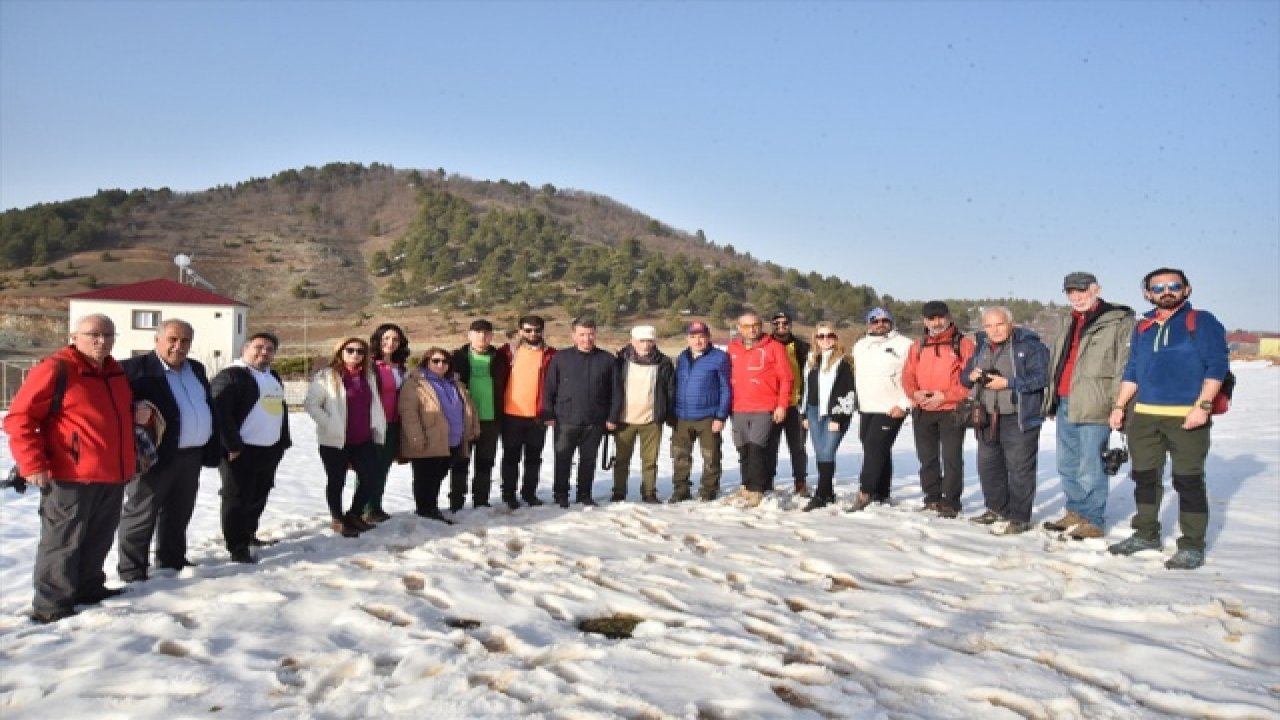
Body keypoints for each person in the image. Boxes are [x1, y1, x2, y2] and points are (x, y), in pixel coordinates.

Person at [4, 314, 138, 623]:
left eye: (107, 334)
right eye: (93, 334)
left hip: (112, 474)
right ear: (74, 335)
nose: (101, 340)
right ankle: (51, 604)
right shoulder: (57, 369)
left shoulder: (115, 372)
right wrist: (32, 463)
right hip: (70, 476)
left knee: (99, 537)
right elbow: (20, 419)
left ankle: (88, 587)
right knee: (63, 540)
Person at [1107, 268, 1229, 570]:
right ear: (1148, 294)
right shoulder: (1143, 326)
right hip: (1145, 416)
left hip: (1187, 416)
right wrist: (1120, 405)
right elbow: (1133, 369)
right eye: (1158, 287)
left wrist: (1202, 405)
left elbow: (1217, 365)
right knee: (1145, 478)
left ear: (1186, 289)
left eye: (1173, 285)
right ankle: (1146, 533)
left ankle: (1191, 545)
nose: (1166, 291)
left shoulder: (1201, 321)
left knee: (1187, 480)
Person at [117, 319, 219, 582]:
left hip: (190, 454)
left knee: (179, 511)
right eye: (173, 339)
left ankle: (171, 559)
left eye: (185, 341)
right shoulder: (134, 369)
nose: (178, 346)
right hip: (154, 456)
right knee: (141, 513)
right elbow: (115, 408)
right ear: (157, 340)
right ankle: (132, 570)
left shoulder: (196, 368)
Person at [1041, 273, 1135, 540]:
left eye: (1082, 291)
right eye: (1071, 292)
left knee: (1091, 463)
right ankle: (1075, 511)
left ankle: (1092, 518)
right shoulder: (1067, 319)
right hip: (1064, 399)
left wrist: (1119, 404)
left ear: (1096, 289)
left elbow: (1123, 365)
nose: (1076, 297)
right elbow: (1058, 361)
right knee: (1066, 462)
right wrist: (1050, 398)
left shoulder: (1117, 321)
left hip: (1096, 399)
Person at [961, 306, 1050, 535]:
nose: (995, 330)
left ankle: (1020, 517)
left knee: (1020, 468)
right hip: (987, 415)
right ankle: (996, 508)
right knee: (988, 466)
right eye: (989, 325)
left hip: (1018, 416)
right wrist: (970, 376)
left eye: (999, 324)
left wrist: (1008, 383)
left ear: (1011, 324)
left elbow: (1042, 377)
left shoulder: (1031, 346)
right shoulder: (981, 346)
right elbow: (964, 376)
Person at [210, 332, 292, 564]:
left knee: (259, 494)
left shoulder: (272, 375)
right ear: (244, 349)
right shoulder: (232, 376)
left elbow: (279, 409)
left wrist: (282, 442)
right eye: (258, 347)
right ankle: (237, 547)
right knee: (236, 499)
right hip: (241, 450)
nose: (264, 352)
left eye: (269, 348)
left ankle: (248, 534)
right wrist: (232, 445)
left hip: (269, 449)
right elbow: (219, 412)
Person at [304, 337, 386, 537]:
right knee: (336, 481)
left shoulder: (368, 376)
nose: (355, 354)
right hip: (335, 440)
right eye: (350, 350)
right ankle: (337, 519)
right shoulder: (327, 376)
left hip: (363, 439)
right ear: (340, 352)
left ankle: (355, 514)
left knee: (371, 478)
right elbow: (311, 404)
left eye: (360, 351)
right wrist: (330, 423)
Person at [901, 301, 976, 519]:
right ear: (924, 320)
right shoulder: (918, 345)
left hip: (950, 410)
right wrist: (914, 393)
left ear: (949, 317)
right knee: (927, 458)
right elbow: (908, 374)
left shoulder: (963, 345)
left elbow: (969, 380)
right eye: (931, 318)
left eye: (940, 317)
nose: (936, 322)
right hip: (923, 409)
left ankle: (951, 502)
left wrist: (944, 396)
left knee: (951, 458)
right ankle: (932, 497)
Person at [399, 348, 479, 524]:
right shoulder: (416, 384)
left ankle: (431, 507)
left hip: (451, 440)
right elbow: (408, 413)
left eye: (445, 361)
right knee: (425, 477)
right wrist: (415, 437)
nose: (440, 364)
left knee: (437, 477)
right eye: (435, 361)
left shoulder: (454, 383)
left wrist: (472, 427)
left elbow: (468, 408)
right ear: (426, 362)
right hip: (428, 439)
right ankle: (425, 510)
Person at [543, 317, 616, 508]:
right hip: (565, 419)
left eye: (590, 334)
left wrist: (612, 417)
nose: (586, 338)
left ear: (595, 334)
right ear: (574, 335)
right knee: (562, 458)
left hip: (595, 420)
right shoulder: (561, 357)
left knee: (588, 460)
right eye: (582, 334)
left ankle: (584, 494)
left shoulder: (607, 359)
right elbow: (550, 387)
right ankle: (560, 494)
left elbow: (616, 391)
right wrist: (548, 413)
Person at [849, 308, 914, 511]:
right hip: (867, 407)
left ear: (892, 322)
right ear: (868, 323)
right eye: (875, 320)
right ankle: (881, 492)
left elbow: (913, 377)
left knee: (874, 448)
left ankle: (865, 492)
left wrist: (904, 404)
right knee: (876, 449)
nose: (880, 323)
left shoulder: (905, 345)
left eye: (885, 320)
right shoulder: (860, 345)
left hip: (891, 407)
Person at [727, 311, 793, 508]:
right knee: (743, 449)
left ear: (761, 326)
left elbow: (786, 378)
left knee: (757, 448)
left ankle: (757, 489)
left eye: (755, 324)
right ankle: (746, 486)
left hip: (764, 407)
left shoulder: (775, 348)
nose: (752, 329)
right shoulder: (733, 348)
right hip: (738, 407)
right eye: (746, 326)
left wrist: (782, 405)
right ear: (739, 328)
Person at [608, 325, 675, 503]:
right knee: (621, 460)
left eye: (649, 341)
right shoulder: (620, 361)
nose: (645, 345)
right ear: (632, 341)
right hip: (624, 420)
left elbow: (669, 390)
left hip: (652, 421)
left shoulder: (664, 363)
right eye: (641, 341)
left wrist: (667, 414)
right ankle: (619, 492)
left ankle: (649, 493)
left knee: (650, 461)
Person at [669, 320, 731, 503]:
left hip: (708, 416)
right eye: (693, 337)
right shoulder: (682, 357)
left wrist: (721, 415)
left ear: (708, 338)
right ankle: (681, 489)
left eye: (701, 337)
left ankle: (709, 489)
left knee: (710, 456)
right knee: (680, 455)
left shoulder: (719, 358)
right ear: (687, 339)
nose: (697, 341)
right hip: (682, 416)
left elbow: (726, 388)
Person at [450, 319, 509, 510]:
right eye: (477, 332)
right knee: (461, 461)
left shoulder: (501, 358)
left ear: (491, 336)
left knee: (485, 461)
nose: (482, 336)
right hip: (463, 419)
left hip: (491, 419)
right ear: (469, 335)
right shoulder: (457, 357)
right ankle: (457, 500)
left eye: (486, 333)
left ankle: (481, 499)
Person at [498, 315, 556, 509]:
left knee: (533, 459)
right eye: (528, 330)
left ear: (542, 331)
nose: (533, 334)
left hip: (538, 416)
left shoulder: (550, 354)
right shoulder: (508, 352)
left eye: (537, 330)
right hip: (511, 415)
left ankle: (529, 493)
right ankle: (508, 494)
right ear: (520, 331)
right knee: (510, 457)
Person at [800, 322, 856, 511]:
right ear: (815, 339)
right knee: (820, 453)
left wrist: (838, 418)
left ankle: (821, 495)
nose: (825, 340)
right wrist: (804, 413)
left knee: (827, 452)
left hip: (834, 413)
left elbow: (847, 390)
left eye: (829, 335)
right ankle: (828, 492)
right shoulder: (812, 360)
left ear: (836, 337)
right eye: (821, 336)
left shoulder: (843, 361)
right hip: (813, 411)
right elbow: (807, 389)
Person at [363, 323, 410, 524]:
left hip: (394, 424)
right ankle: (364, 507)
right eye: (386, 339)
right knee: (369, 467)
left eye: (395, 339)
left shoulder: (400, 368)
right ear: (378, 341)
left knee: (383, 467)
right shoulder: (370, 365)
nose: (390, 343)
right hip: (374, 424)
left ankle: (376, 506)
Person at [766, 311, 810, 496]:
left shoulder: (802, 347)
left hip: (795, 405)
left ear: (791, 324)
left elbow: (810, 376)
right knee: (769, 447)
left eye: (785, 323)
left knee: (798, 447)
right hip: (770, 405)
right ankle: (767, 481)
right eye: (777, 323)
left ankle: (800, 482)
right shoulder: (765, 345)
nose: (781, 326)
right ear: (772, 325)